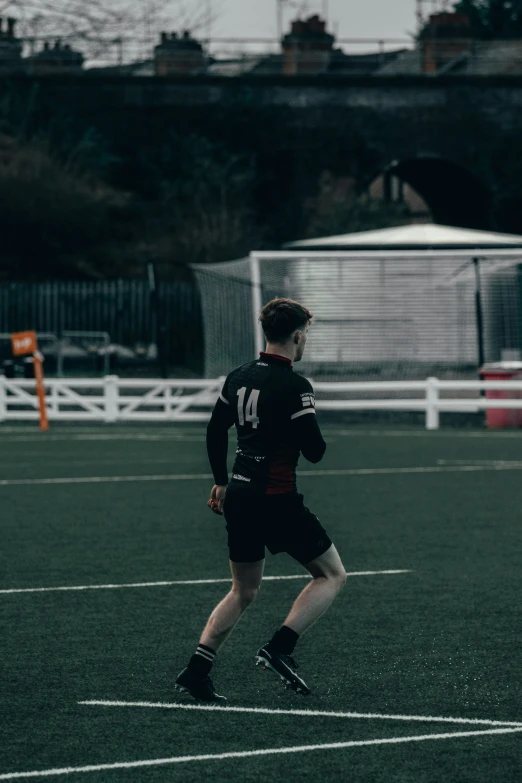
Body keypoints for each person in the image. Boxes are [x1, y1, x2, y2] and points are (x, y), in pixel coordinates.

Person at [175, 297, 347, 702]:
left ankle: (197, 671)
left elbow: (216, 431)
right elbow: (316, 451)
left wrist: (220, 482)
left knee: (243, 590)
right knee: (332, 574)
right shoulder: (295, 385)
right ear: (298, 336)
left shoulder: (238, 376)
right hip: (277, 498)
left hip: (239, 494)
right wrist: (307, 419)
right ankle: (280, 648)